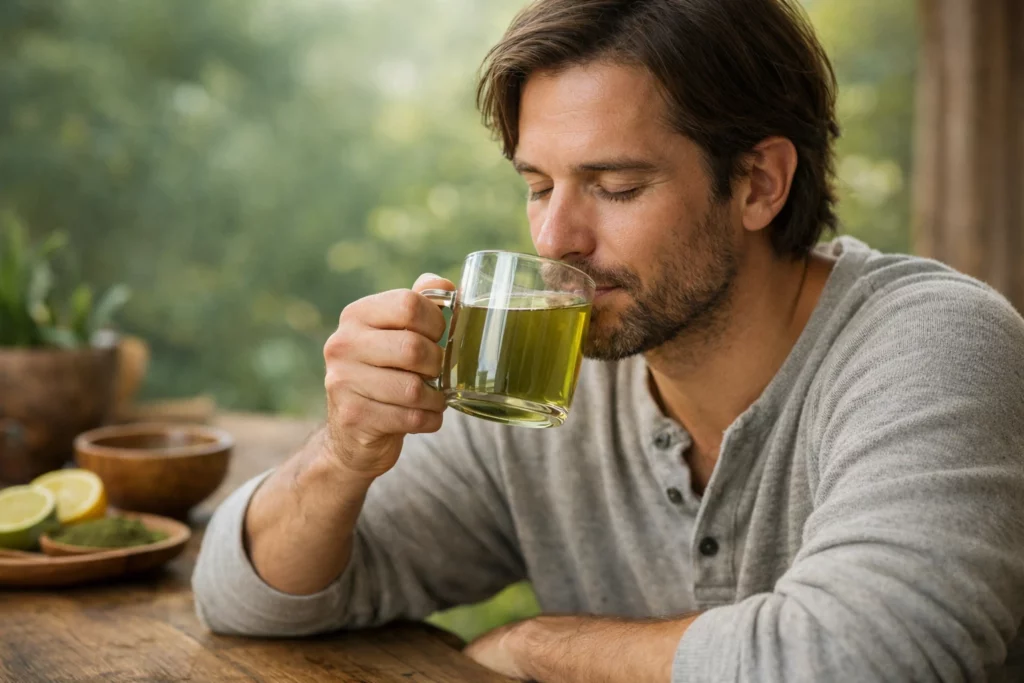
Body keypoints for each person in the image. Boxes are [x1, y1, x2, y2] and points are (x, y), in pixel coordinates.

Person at [193, 0, 1024, 680]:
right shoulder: (545, 368)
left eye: (616, 186)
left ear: (759, 183)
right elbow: (248, 597)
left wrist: (539, 646)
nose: (556, 237)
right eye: (538, 186)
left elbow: (870, 656)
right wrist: (341, 455)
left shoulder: (932, 344)